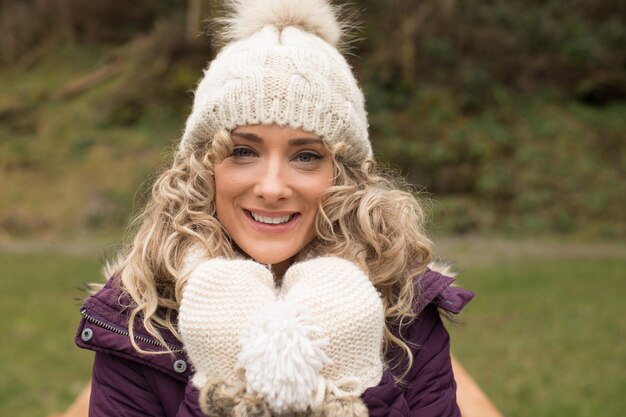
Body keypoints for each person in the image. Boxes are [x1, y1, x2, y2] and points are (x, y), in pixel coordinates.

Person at [75, 0, 474, 416]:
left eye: (306, 157)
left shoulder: (406, 308)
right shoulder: (139, 319)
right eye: (244, 151)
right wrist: (224, 389)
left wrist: (351, 384)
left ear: (346, 177)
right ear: (203, 170)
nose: (271, 187)